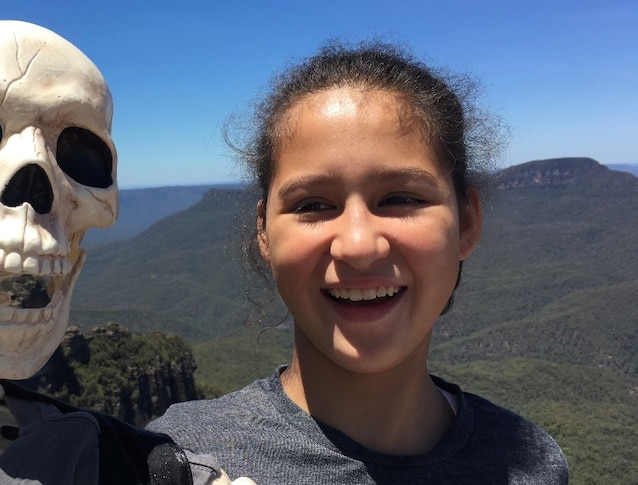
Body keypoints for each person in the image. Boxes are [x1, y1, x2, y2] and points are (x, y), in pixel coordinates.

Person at [147, 40, 569, 484]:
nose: (357, 245)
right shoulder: (178, 460)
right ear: (263, 232)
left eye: (401, 198)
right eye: (312, 204)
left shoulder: (531, 465)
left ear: (466, 222)